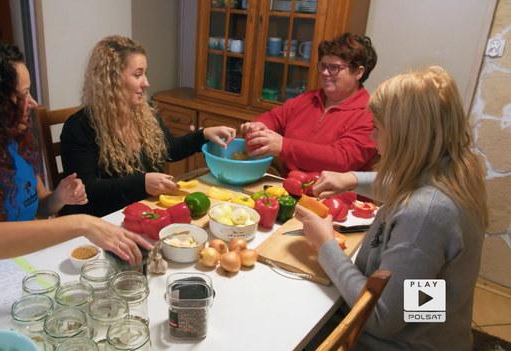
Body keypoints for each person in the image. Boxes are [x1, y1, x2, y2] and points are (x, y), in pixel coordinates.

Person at [0, 41, 152, 286]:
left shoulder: (8, 142)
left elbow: (39, 206)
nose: (32, 103)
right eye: (22, 95)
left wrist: (58, 198)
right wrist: (83, 223)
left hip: (16, 272)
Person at [296, 66, 488, 350]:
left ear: (405, 136)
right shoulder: (456, 171)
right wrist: (350, 179)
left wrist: (326, 245)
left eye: (377, 129)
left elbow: (379, 318)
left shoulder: (425, 214)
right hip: (433, 326)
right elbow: (406, 183)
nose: (373, 140)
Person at [60, 35, 236, 217]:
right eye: (138, 75)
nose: (146, 83)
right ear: (111, 80)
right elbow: (87, 189)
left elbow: (170, 149)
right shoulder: (78, 127)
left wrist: (204, 134)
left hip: (147, 212)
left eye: (145, 73)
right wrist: (141, 183)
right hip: (104, 222)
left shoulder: (144, 112)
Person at [240, 32, 378, 176]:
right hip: (291, 187)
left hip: (335, 196)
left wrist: (283, 146)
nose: (325, 72)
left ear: (358, 72)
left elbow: (342, 159)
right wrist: (260, 126)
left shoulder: (369, 113)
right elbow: (274, 118)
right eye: (322, 65)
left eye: (334, 67)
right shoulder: (308, 99)